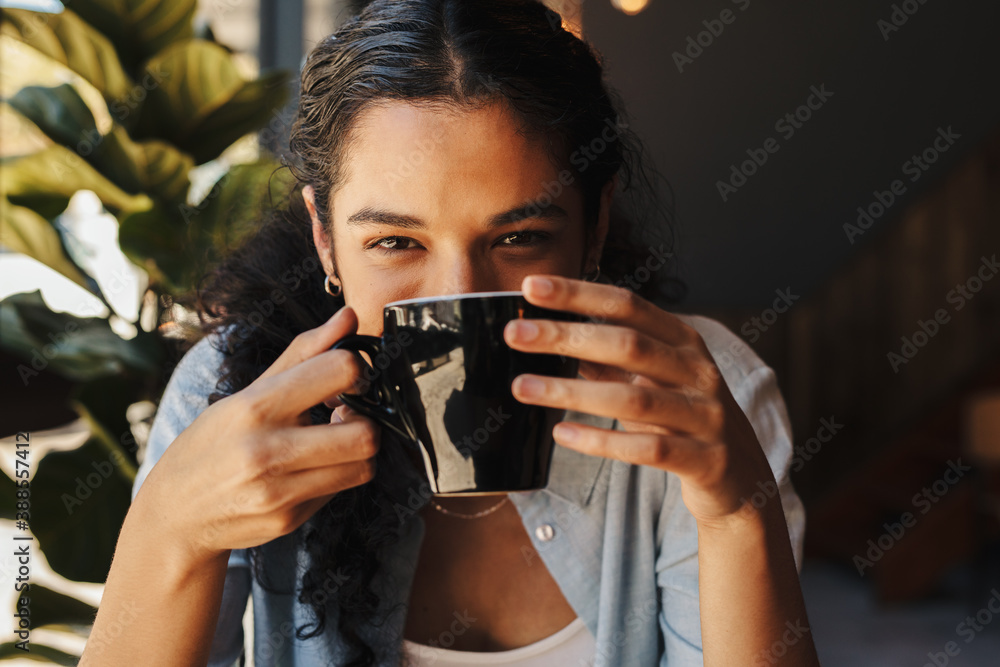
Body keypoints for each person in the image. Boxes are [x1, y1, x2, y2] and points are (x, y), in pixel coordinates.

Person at [81, 1, 820, 665]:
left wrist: (737, 515)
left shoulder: (697, 398)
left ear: (594, 228)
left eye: (520, 235)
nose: (456, 295)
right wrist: (168, 531)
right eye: (397, 243)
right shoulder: (233, 391)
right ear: (327, 240)